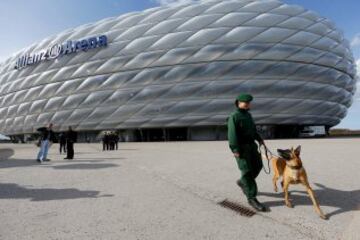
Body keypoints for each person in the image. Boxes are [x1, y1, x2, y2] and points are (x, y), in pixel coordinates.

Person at [227, 93, 267, 212]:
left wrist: (259, 139)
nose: (248, 104)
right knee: (247, 171)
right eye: (246, 102)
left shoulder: (248, 115)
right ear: (238, 102)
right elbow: (232, 134)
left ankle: (242, 181)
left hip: (252, 147)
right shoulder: (234, 116)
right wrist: (235, 149)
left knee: (258, 166)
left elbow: (253, 130)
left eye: (249, 102)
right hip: (241, 148)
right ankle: (251, 197)